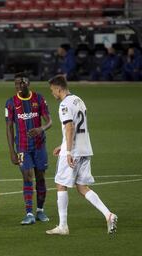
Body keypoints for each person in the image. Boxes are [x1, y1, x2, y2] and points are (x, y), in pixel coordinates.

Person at [46, 75, 117, 235]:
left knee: (60, 184)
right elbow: (78, 127)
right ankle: (108, 215)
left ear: (58, 88)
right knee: (82, 187)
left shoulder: (64, 105)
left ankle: (63, 226)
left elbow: (70, 127)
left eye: (52, 91)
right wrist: (63, 145)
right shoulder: (78, 100)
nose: (53, 94)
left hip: (74, 151)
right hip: (85, 149)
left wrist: (68, 151)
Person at [5, 73, 52, 225]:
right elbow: (9, 128)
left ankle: (40, 210)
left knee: (40, 178)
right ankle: (29, 213)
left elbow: (49, 121)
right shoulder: (11, 102)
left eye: (22, 84)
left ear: (28, 83)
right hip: (22, 147)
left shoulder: (38, 99)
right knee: (27, 177)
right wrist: (12, 151)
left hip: (39, 146)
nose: (19, 87)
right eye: (16, 84)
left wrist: (41, 129)